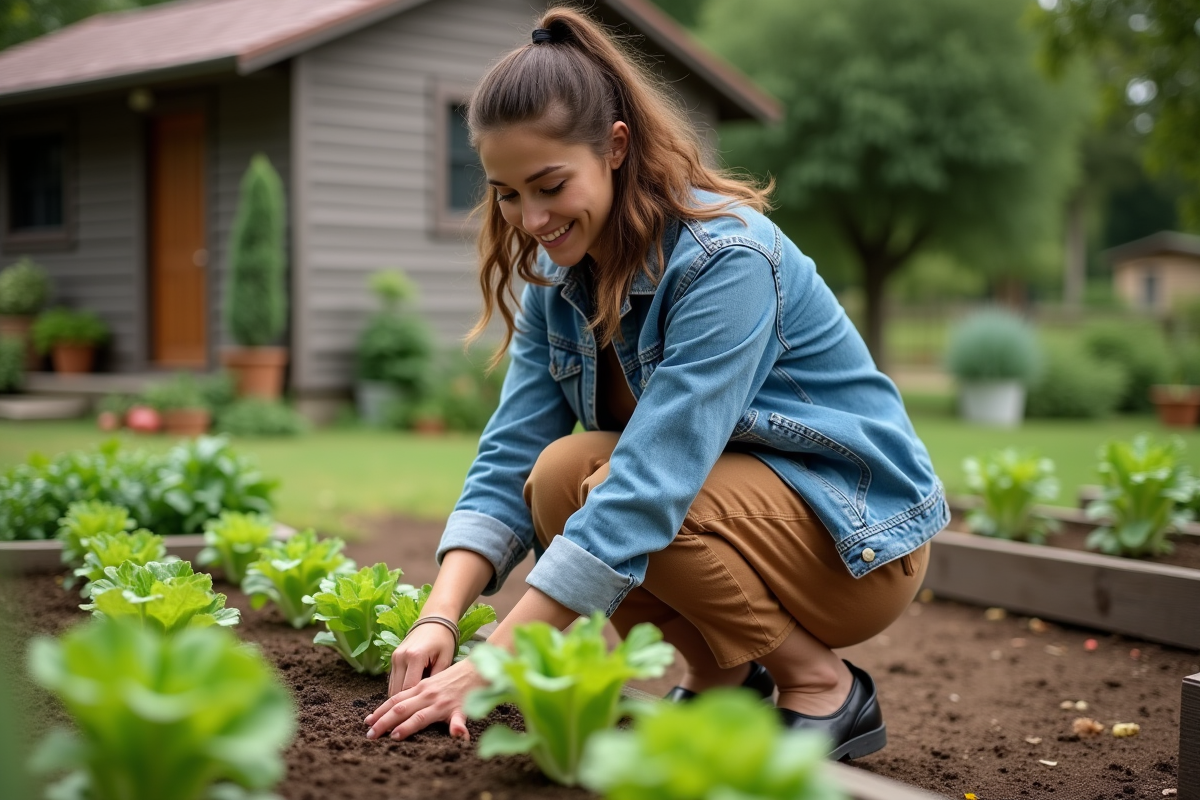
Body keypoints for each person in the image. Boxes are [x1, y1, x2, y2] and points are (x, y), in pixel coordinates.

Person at [364, 7, 948, 760]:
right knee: (555, 475)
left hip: (854, 543)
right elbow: (509, 453)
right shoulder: (560, 279)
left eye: (548, 185)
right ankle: (722, 679)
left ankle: (824, 686)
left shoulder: (725, 259)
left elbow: (652, 483)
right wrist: (439, 618)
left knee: (617, 484)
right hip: (741, 523)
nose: (531, 219)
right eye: (507, 193)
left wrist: (496, 664)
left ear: (614, 148)